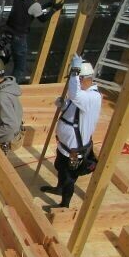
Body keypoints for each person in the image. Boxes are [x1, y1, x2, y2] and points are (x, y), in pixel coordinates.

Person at [41, 55, 102, 209]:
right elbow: (72, 103)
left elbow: (75, 95)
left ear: (82, 79)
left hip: (74, 150)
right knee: (60, 167)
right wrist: (63, 105)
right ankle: (59, 188)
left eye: (74, 79)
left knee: (69, 178)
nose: (71, 83)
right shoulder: (81, 95)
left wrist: (74, 70)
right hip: (64, 146)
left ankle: (64, 204)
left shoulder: (92, 97)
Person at [2, 0, 64, 83]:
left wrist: (48, 4)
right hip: (19, 37)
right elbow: (43, 18)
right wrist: (54, 9)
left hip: (7, 34)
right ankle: (12, 88)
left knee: (3, 60)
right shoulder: (34, 5)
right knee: (19, 68)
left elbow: (31, 10)